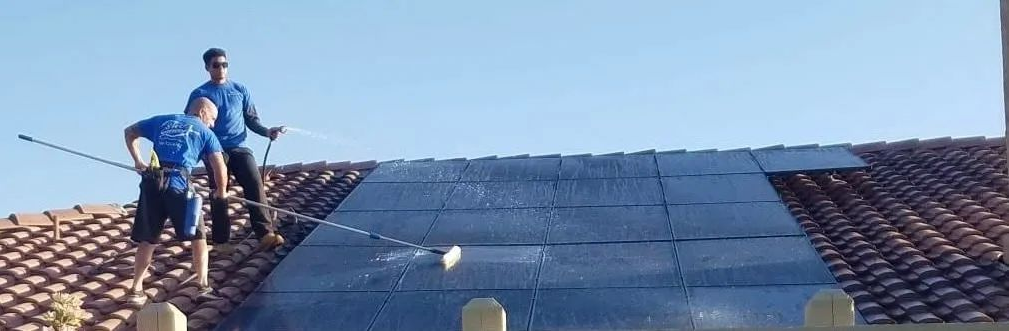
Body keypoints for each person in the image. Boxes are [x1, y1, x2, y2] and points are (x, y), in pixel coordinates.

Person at [124, 97, 229, 303]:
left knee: (149, 238)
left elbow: (129, 131)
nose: (213, 124)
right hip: (178, 182)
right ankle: (202, 285)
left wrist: (138, 161)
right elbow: (219, 166)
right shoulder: (206, 132)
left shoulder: (163, 120)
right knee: (198, 235)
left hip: (152, 181)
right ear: (202, 112)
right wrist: (221, 192)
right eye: (213, 118)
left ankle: (136, 290)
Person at [185, 47, 285, 253]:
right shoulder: (200, 93)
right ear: (207, 68)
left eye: (225, 65)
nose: (221, 68)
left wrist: (267, 132)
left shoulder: (240, 90)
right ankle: (221, 240)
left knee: (254, 182)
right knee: (219, 191)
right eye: (216, 65)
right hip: (214, 149)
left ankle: (265, 233)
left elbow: (251, 120)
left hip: (239, 147)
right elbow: (192, 123)